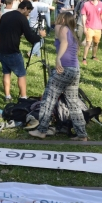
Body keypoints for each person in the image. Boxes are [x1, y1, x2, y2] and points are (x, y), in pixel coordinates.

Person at [29, 12, 87, 141]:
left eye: (59, 17)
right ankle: (82, 134)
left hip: (63, 69)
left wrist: (58, 59)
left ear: (63, 19)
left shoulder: (61, 28)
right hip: (74, 70)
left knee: (48, 99)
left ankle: (42, 130)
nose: (57, 19)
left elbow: (64, 43)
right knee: (73, 103)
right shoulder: (73, 32)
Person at [0, 0, 45, 102]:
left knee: (6, 72)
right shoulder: (22, 18)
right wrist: (40, 36)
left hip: (1, 50)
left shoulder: (5, 15)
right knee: (21, 74)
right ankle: (23, 97)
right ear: (25, 8)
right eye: (29, 11)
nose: (29, 14)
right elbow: (30, 37)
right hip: (12, 51)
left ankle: (7, 96)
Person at [80, 0, 102, 64]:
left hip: (98, 27)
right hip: (89, 27)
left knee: (96, 43)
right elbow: (84, 16)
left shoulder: (101, 4)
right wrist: (84, 27)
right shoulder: (86, 4)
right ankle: (84, 59)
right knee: (88, 43)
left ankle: (94, 56)